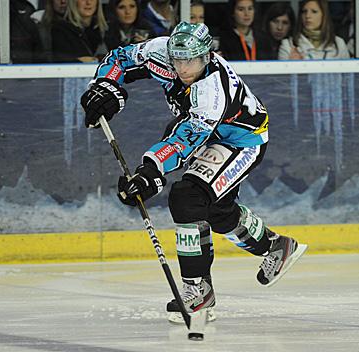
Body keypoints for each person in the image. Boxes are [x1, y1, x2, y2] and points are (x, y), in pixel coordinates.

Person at [80, 22, 307, 322]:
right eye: (179, 60)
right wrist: (104, 87)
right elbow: (120, 59)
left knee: (187, 197)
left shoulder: (213, 92)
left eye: (193, 61)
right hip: (208, 132)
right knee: (215, 211)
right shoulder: (162, 50)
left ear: (207, 56)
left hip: (241, 139)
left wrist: (150, 172)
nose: (184, 68)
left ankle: (198, 288)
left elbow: (185, 138)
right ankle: (276, 246)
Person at [278, 0, 349, 60]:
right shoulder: (288, 45)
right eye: (304, 11)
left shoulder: (339, 44)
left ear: (324, 15)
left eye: (314, 11)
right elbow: (282, 76)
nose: (307, 16)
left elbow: (348, 75)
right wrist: (293, 65)